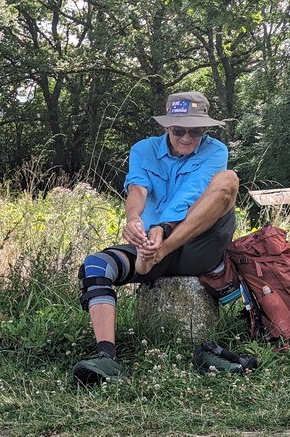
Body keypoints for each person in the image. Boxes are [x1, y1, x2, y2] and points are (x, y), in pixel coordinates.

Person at [73, 91, 239, 386]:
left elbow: (192, 194)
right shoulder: (143, 149)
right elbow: (137, 187)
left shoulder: (216, 151)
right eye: (179, 130)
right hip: (151, 244)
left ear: (205, 130)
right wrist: (133, 220)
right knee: (96, 266)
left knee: (228, 180)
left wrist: (162, 231)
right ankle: (106, 357)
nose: (187, 138)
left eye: (195, 131)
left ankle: (159, 254)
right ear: (167, 127)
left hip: (198, 242)